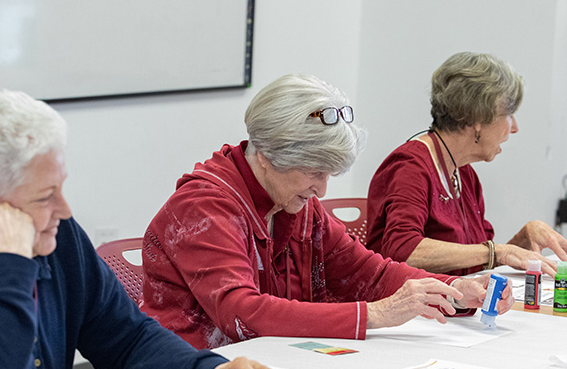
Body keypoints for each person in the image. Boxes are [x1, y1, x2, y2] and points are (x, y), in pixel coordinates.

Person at [0, 88, 276, 369]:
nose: (65, 211)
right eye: (44, 197)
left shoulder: (58, 236)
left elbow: (127, 338)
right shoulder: (21, 252)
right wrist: (12, 262)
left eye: (60, 188)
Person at [141, 73, 512, 351]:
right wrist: (377, 314)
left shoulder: (295, 204)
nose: (321, 189)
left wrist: (452, 290)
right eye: (313, 171)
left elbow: (366, 271)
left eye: (328, 173)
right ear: (268, 157)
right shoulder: (202, 209)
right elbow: (243, 314)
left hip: (271, 365)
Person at [366, 51, 567, 277]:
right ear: (478, 119)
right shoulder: (410, 167)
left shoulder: (465, 174)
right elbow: (404, 251)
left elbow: (480, 263)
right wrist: (498, 252)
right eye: (509, 114)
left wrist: (522, 239)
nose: (514, 127)